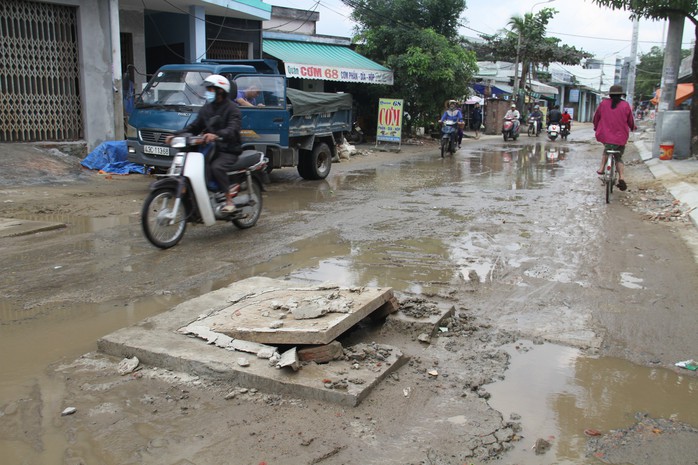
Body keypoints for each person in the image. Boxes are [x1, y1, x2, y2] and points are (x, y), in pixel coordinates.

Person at [167, 74, 243, 212]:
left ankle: (228, 200)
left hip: (228, 149)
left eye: (210, 89)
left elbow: (233, 129)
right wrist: (175, 134)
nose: (207, 92)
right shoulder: (207, 109)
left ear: (220, 90)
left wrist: (216, 135)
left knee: (216, 167)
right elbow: (194, 126)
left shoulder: (233, 109)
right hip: (211, 148)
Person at [593, 85, 636, 191]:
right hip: (620, 137)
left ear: (610, 94)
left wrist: (596, 127)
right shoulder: (625, 105)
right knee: (618, 156)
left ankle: (602, 167)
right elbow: (630, 121)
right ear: (621, 94)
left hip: (605, 135)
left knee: (607, 149)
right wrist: (633, 127)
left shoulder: (603, 104)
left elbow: (596, 118)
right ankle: (621, 177)